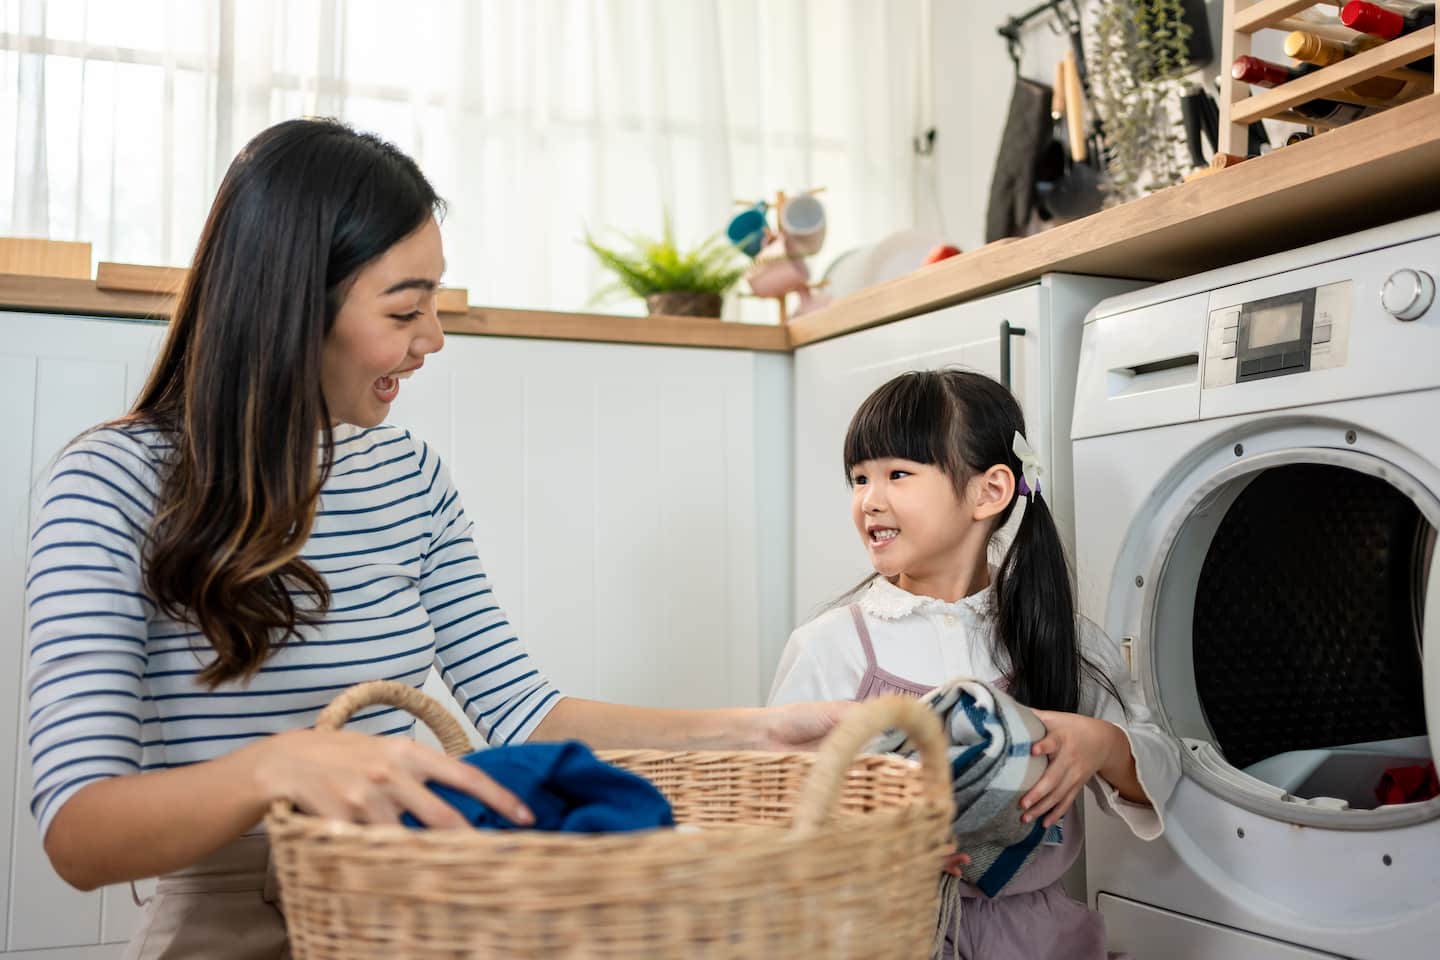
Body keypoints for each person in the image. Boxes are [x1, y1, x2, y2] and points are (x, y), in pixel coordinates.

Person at [24, 118, 843, 959]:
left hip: (405, 907)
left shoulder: (410, 477)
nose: (433, 339)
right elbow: (79, 831)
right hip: (222, 916)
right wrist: (280, 767)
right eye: (406, 308)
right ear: (290, 303)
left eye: (436, 305)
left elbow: (524, 714)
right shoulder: (110, 482)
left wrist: (751, 732)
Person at [768, 369, 1180, 960]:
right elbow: (778, 807)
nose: (869, 499)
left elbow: (1159, 774)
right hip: (885, 935)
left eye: (897, 474)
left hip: (1040, 940)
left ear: (989, 491)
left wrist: (1103, 743)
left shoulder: (1060, 640)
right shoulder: (834, 645)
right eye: (859, 478)